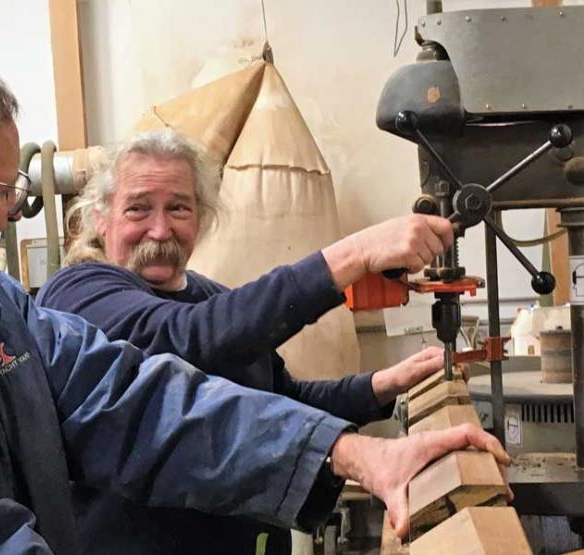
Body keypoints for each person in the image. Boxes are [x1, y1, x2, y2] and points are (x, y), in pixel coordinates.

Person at [0, 40, 508, 555]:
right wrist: (345, 259)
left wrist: (352, 450)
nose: (16, 206)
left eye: (181, 207)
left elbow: (138, 400)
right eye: (4, 185)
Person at [37, 130, 467, 554]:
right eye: (138, 209)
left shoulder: (210, 296)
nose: (160, 228)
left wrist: (384, 385)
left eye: (179, 208)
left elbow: (283, 395)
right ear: (101, 218)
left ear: (201, 219)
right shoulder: (79, 293)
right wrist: (353, 255)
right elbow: (180, 337)